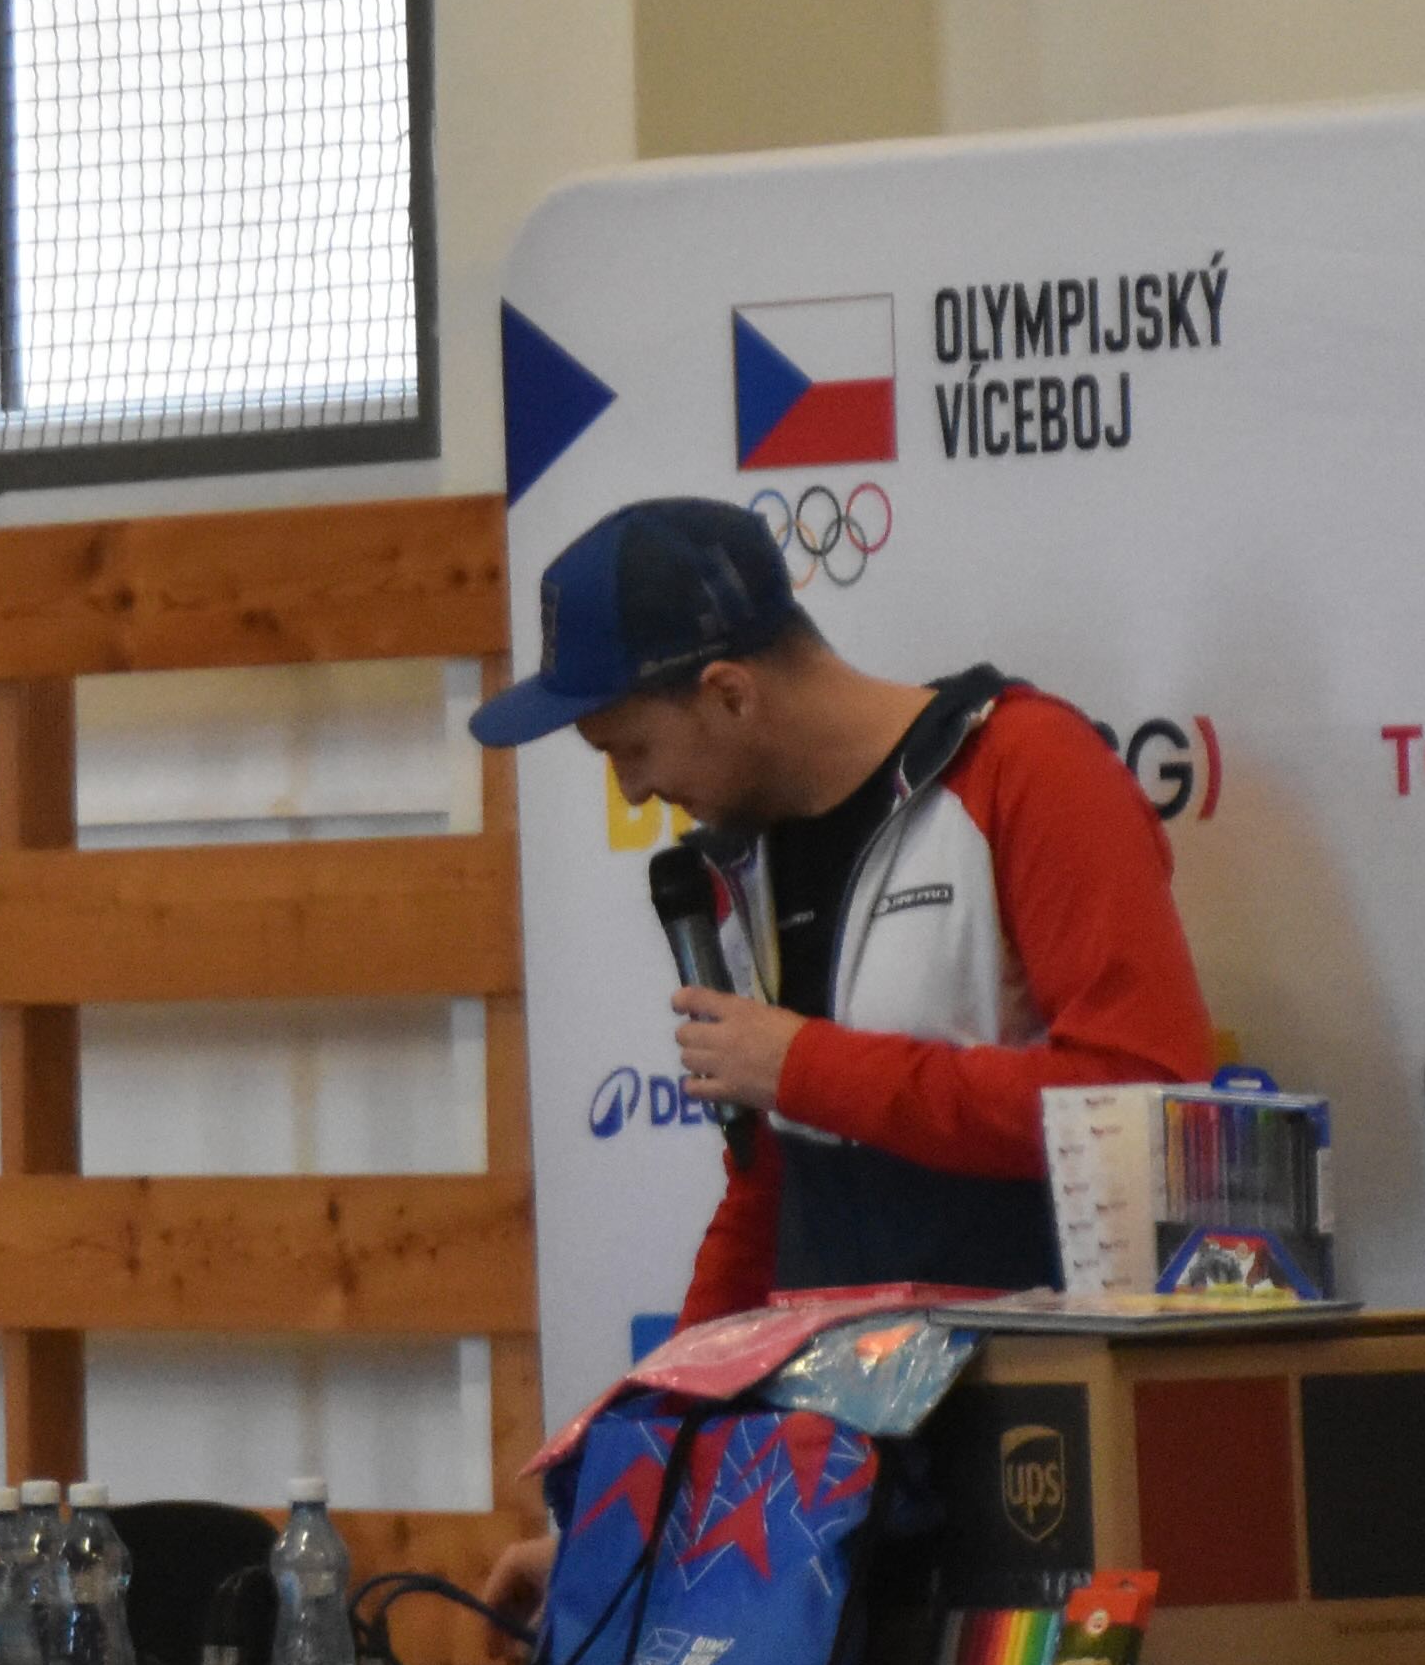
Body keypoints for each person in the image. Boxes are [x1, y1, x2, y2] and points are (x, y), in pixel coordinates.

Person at [463, 496, 1220, 1607]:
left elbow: (1147, 1100)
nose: (630, 789)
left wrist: (809, 1068)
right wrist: (633, 1506)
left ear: (729, 692)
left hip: (1038, 1457)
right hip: (834, 1491)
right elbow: (769, 1198)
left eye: (629, 748)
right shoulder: (741, 864)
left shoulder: (1025, 767)